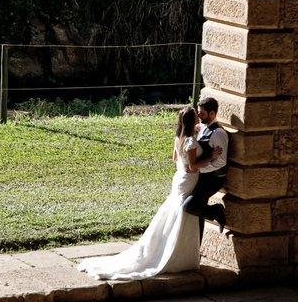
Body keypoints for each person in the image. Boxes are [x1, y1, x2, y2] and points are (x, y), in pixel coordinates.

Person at [76, 106, 221, 279]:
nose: (198, 119)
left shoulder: (179, 137)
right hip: (188, 179)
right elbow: (192, 166)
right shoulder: (190, 141)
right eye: (196, 118)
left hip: (179, 178)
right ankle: (179, 255)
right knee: (182, 213)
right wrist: (210, 157)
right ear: (192, 121)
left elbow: (176, 159)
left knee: (175, 210)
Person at [183, 96, 227, 233]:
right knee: (197, 211)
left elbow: (221, 161)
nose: (199, 115)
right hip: (202, 177)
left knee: (189, 206)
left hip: (214, 179)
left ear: (212, 113)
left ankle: (217, 211)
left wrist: (200, 169)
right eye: (198, 112)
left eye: (202, 113)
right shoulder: (202, 128)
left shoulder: (218, 133)